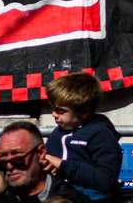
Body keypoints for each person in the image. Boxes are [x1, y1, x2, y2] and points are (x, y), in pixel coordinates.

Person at [41, 71, 121, 203]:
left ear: (84, 112)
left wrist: (63, 166)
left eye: (61, 111)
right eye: (53, 109)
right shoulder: (57, 134)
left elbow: (105, 180)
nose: (53, 114)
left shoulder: (101, 135)